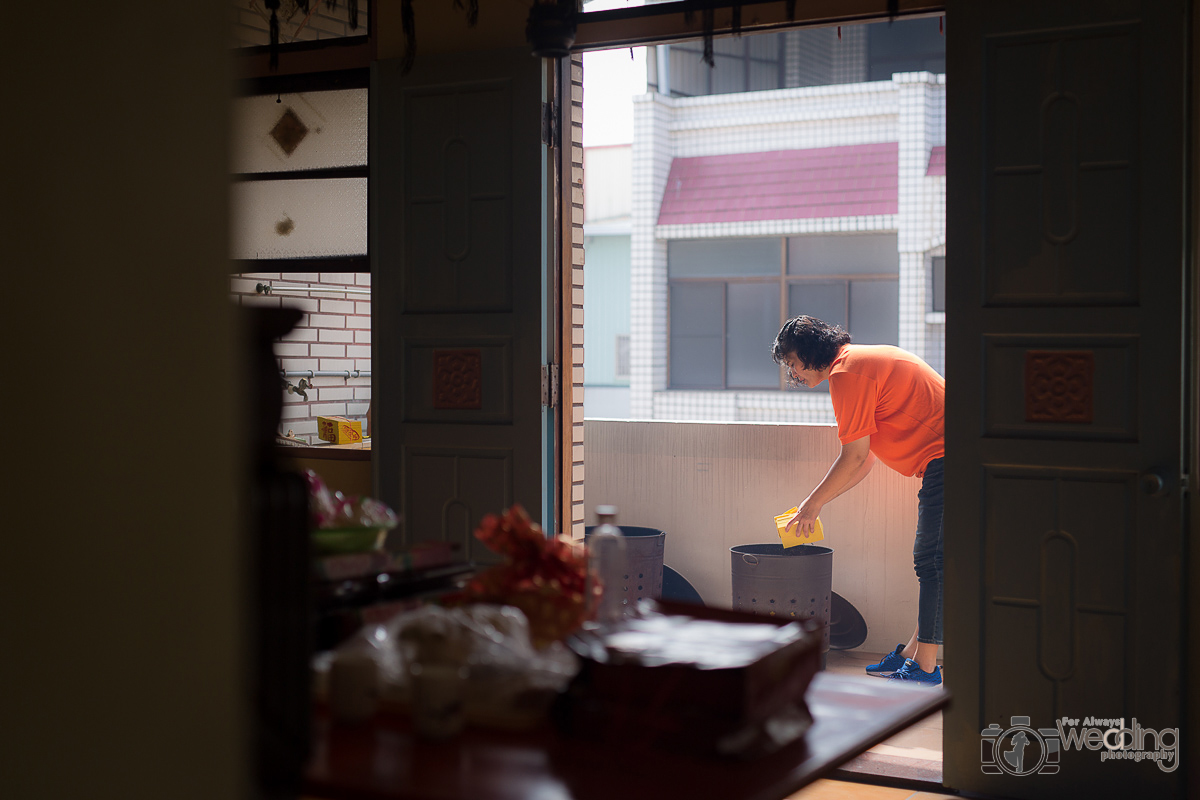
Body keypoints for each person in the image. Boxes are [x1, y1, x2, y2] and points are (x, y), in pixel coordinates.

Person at [772, 315, 945, 686]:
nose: (793, 373)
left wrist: (811, 505)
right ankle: (913, 655)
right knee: (933, 563)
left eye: (792, 363)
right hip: (945, 461)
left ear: (807, 352)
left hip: (950, 460)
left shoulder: (846, 373)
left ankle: (927, 667)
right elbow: (864, 459)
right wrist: (817, 502)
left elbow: (853, 456)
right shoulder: (855, 363)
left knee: (931, 562)